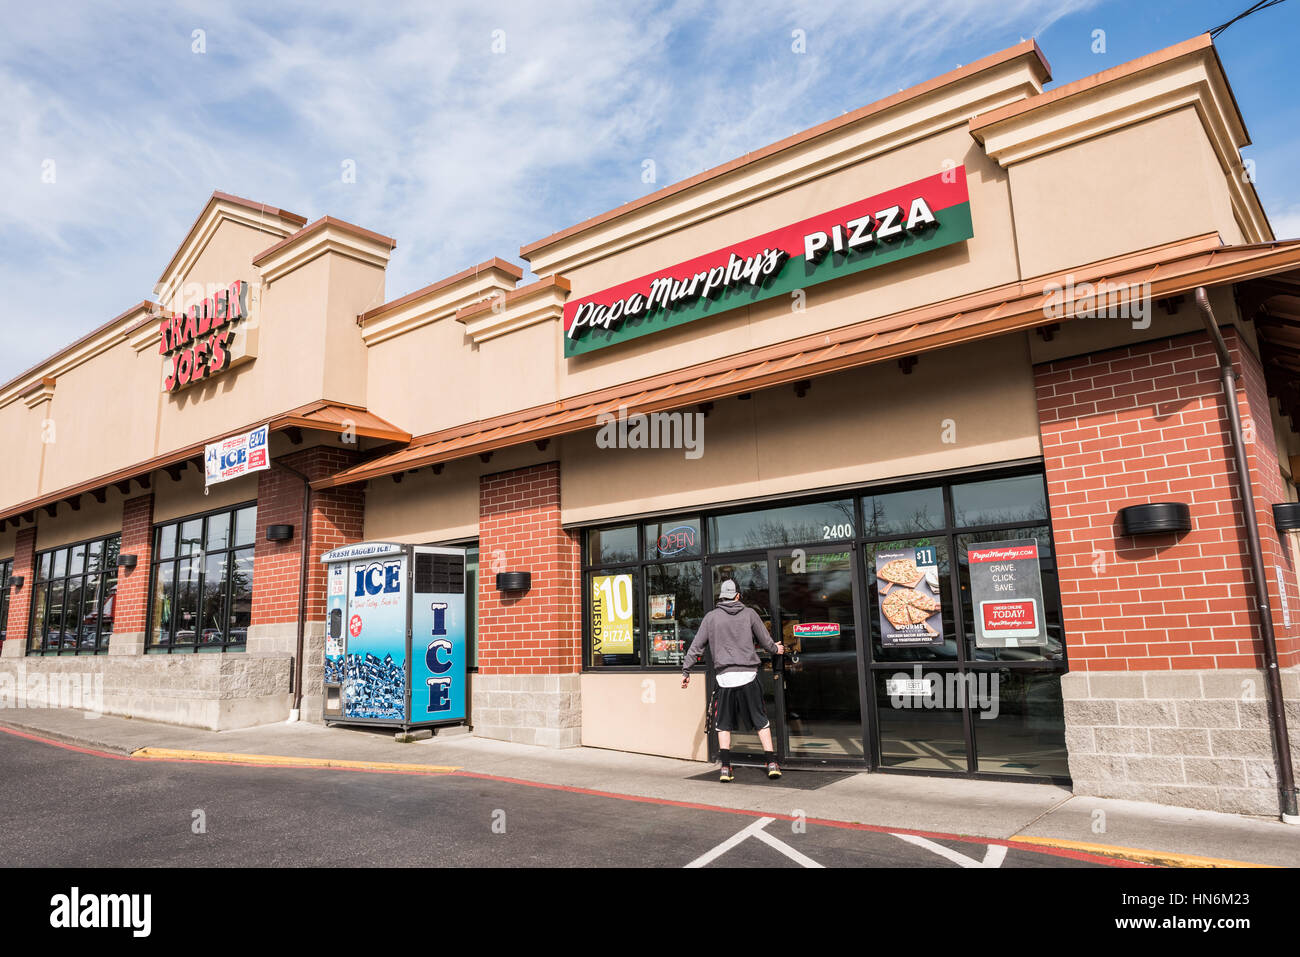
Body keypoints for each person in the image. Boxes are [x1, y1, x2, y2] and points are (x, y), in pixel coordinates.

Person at [681, 579, 784, 781]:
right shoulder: (750, 614)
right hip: (749, 676)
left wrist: (686, 671)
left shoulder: (711, 618)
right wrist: (776, 649)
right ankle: (771, 762)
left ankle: (726, 768)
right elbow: (765, 640)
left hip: (725, 678)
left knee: (724, 723)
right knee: (761, 720)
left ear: (721, 597)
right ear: (738, 596)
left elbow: (696, 647)